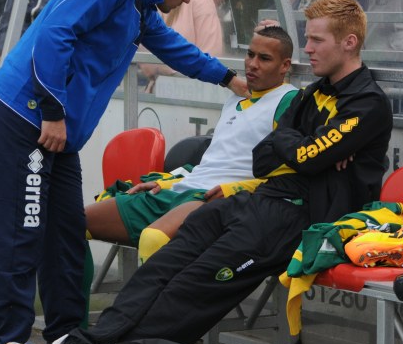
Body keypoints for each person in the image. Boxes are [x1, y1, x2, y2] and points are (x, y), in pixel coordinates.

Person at [1, 0, 393, 344]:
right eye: (307, 39)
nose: (308, 49)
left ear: (349, 43)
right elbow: (265, 158)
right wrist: (306, 147)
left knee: (190, 291)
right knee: (164, 266)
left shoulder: (367, 102)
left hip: (302, 217)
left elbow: (303, 157)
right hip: (261, 197)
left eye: (316, 41)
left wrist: (297, 147)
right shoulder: (312, 94)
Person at [0, 0, 248, 344]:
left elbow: (172, 48)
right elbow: (54, 33)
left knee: (66, 231)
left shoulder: (141, 1)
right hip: (27, 115)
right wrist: (50, 110)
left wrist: (226, 78)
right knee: (22, 230)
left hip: (59, 127)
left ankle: (66, 343)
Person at [90, 26, 297, 267]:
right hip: (182, 189)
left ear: (285, 65)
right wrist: (166, 181)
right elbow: (214, 161)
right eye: (250, 55)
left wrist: (235, 189)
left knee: (153, 238)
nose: (252, 64)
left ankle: (143, 306)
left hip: (214, 201)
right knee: (72, 222)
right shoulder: (235, 98)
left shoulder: (289, 101)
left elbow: (288, 177)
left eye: (264, 58)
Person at [139, 0, 223, 91]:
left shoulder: (201, 2)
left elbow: (211, 57)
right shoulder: (147, 0)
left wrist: (160, 66)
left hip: (191, 93)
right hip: (151, 93)